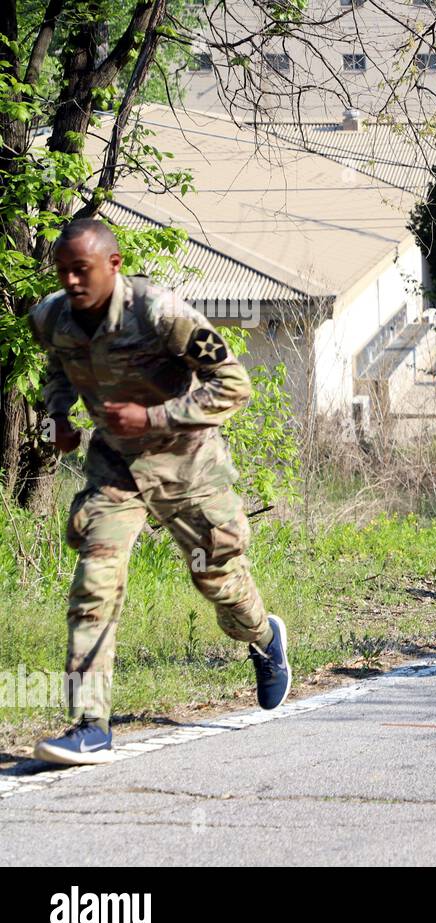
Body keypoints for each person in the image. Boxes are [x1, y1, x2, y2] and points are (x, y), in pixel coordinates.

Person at [27, 219, 290, 766]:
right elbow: (58, 368)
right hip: (115, 469)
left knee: (215, 577)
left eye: (83, 270)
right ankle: (90, 723)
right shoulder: (51, 316)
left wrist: (153, 414)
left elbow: (234, 384)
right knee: (94, 581)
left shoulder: (158, 312)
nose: (72, 282)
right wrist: (57, 417)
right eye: (64, 271)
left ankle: (263, 638)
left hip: (186, 466)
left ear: (114, 265)